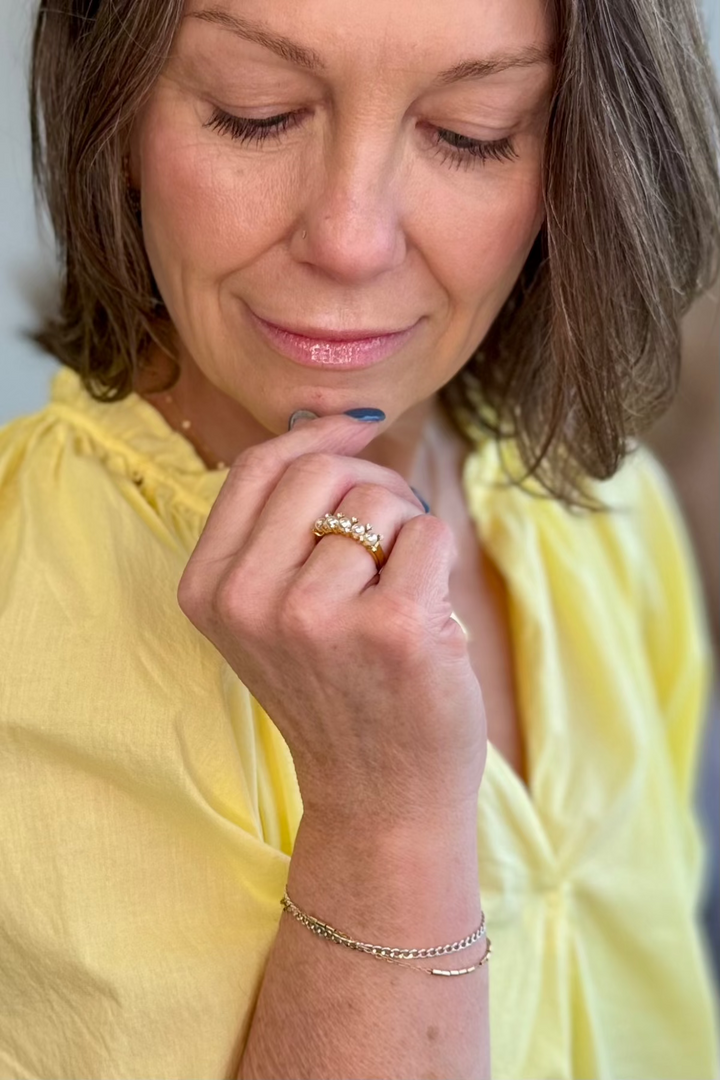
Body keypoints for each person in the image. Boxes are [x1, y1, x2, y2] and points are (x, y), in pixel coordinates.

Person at [1, 0, 719, 1077]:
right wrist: (385, 825)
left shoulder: (614, 516)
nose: (349, 238)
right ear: (115, 109)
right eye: (256, 113)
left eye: (472, 131)